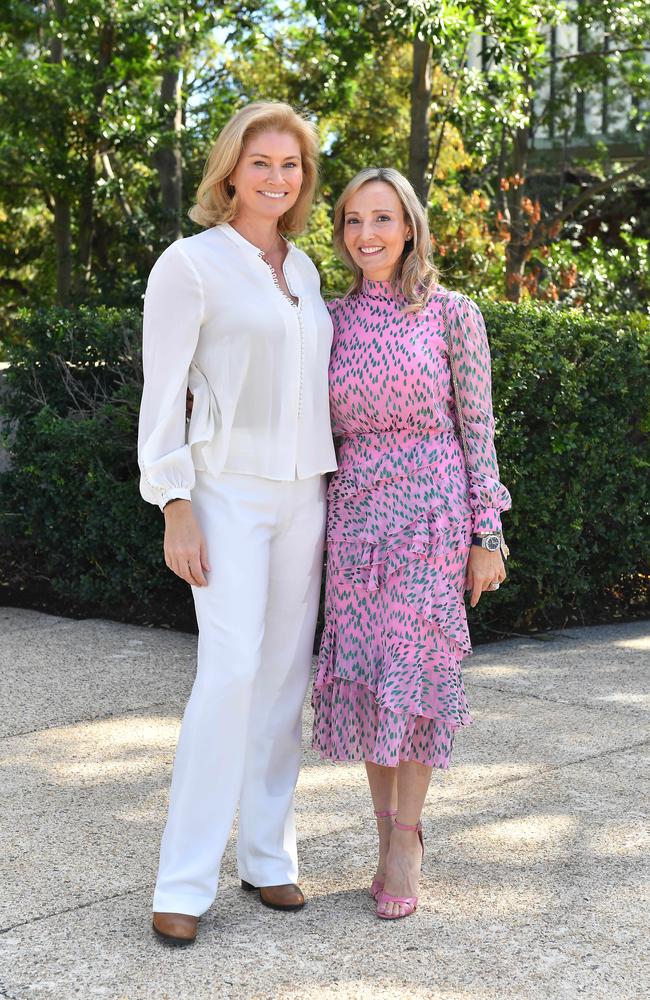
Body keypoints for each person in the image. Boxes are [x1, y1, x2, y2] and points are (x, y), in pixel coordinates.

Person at [138, 101, 336, 945]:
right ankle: (183, 882)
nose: (277, 179)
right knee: (230, 672)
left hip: (306, 495)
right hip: (224, 494)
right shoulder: (191, 264)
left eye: (291, 166)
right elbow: (162, 394)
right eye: (262, 162)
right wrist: (174, 502)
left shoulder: (309, 270)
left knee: (285, 678)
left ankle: (269, 858)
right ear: (231, 170)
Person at [311, 167, 512, 920]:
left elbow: (478, 430)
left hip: (432, 510)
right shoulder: (328, 320)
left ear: (410, 227)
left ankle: (406, 842)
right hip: (356, 516)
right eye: (353, 221)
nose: (367, 234)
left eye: (383, 218)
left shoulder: (452, 313)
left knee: (415, 673)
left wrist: (486, 534)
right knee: (367, 675)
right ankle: (381, 832)